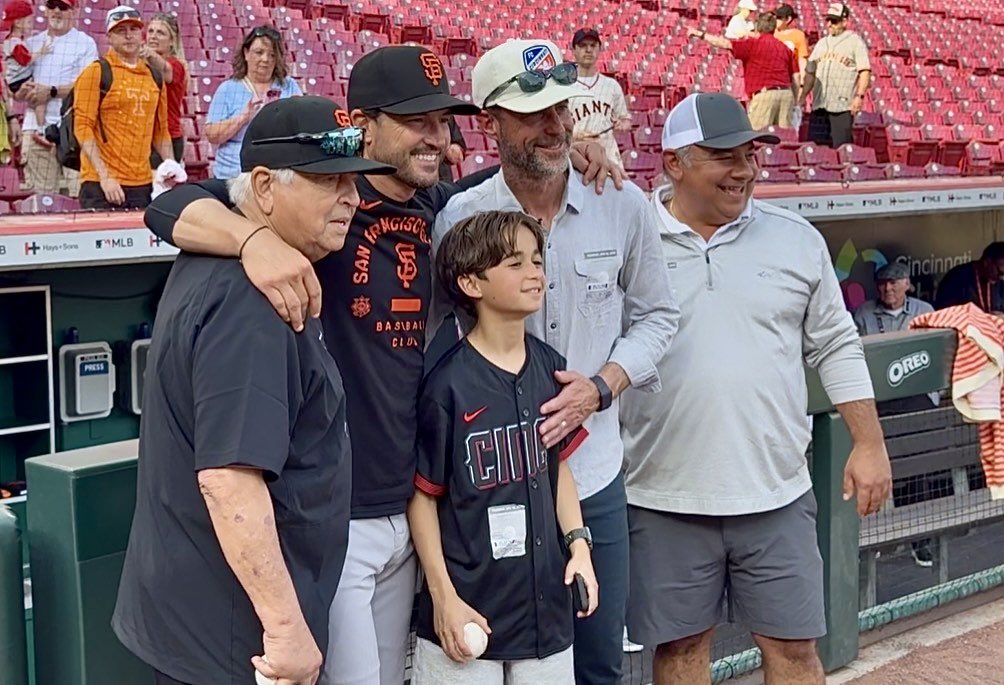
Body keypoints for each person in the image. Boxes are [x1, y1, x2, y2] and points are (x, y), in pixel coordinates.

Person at [144, 42, 620, 685]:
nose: (435, 136)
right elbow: (170, 206)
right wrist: (253, 239)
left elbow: (512, 176)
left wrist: (572, 154)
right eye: (414, 120)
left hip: (412, 501)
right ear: (360, 124)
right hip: (336, 512)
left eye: (442, 120)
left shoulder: (440, 208)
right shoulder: (320, 206)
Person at [112, 96, 396, 685]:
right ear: (264, 186)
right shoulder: (253, 299)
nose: (352, 197)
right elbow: (229, 480)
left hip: (206, 621)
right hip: (238, 640)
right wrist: (286, 629)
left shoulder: (243, 248)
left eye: (355, 180)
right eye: (329, 181)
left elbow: (186, 202)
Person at [430, 38, 679, 685]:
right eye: (532, 111)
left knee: (598, 664)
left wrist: (601, 386)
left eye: (561, 108)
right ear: (491, 124)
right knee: (491, 665)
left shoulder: (620, 202)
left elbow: (659, 316)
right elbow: (446, 346)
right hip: (490, 485)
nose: (555, 125)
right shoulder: (461, 215)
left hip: (590, 478)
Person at [621, 92, 891, 685]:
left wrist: (868, 443)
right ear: (674, 163)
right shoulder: (629, 237)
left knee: (795, 652)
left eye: (750, 153)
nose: (743, 169)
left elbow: (837, 345)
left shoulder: (794, 238)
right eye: (723, 156)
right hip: (662, 495)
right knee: (681, 652)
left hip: (777, 492)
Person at [408, 210, 599, 683]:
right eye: (514, 263)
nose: (534, 271)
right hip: (470, 607)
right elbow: (422, 497)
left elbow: (559, 471)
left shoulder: (551, 368)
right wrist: (443, 598)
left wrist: (579, 545)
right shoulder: (446, 383)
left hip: (544, 610)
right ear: (472, 283)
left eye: (537, 260)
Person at [853, 261, 938, 568]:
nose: (887, 288)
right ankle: (877, 538)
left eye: (893, 282)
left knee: (918, 470)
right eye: (882, 283)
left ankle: (919, 541)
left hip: (915, 400)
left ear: (907, 284)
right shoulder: (864, 313)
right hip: (879, 404)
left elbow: (934, 359)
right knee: (873, 466)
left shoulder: (923, 309)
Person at [73, 6, 172, 210]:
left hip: (142, 183)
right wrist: (105, 176)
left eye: (133, 29)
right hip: (101, 184)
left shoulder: (154, 77)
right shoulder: (96, 72)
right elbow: (82, 127)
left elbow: (161, 132)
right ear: (109, 37)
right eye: (120, 30)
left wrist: (172, 166)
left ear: (141, 34)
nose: (128, 36)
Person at [14, 0, 96, 196]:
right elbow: (16, 92)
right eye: (52, 5)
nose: (56, 11)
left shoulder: (85, 43)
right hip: (36, 132)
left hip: (74, 132)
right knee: (42, 200)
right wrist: (25, 90)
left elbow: (87, 87)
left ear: (75, 10)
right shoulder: (31, 44)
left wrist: (49, 91)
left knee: (80, 196)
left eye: (63, 6)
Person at [205, 24, 302, 180]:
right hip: (234, 176)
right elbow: (212, 135)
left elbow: (301, 125)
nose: (266, 59)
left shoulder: (289, 86)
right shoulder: (228, 89)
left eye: (272, 55)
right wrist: (243, 118)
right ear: (246, 53)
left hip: (278, 172)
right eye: (259, 52)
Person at [688, 13, 798, 130]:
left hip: (765, 95)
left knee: (756, 137)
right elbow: (796, 77)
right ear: (774, 28)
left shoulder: (753, 44)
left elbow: (725, 43)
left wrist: (700, 34)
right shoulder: (784, 48)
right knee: (783, 138)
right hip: (786, 95)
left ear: (757, 28)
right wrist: (795, 99)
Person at [800, 2, 871, 148]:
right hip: (819, 105)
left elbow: (864, 71)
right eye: (828, 20)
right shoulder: (821, 43)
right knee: (816, 149)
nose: (830, 24)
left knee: (841, 148)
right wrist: (802, 96)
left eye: (834, 20)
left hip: (842, 106)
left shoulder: (855, 42)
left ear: (845, 21)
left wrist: (859, 96)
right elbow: (810, 73)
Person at [569, 27, 631, 169]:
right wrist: (576, 136)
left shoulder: (611, 86)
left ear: (599, 49)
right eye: (583, 46)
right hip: (577, 158)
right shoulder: (565, 87)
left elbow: (625, 121)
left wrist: (622, 125)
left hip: (608, 156)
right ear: (573, 50)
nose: (588, 50)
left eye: (593, 45)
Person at [143, 12, 188, 164]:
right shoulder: (140, 65)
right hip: (143, 136)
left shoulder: (177, 66)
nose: (153, 36)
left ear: (171, 41)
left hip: (168, 137)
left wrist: (149, 54)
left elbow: (165, 70)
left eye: (160, 33)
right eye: (151, 31)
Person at [2, 0, 48, 142]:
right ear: (18, 23)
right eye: (28, 22)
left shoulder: (14, 41)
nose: (31, 25)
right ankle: (41, 130)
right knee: (40, 98)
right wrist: (42, 51)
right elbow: (26, 60)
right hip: (18, 80)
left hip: (17, 79)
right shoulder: (15, 43)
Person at [935, 242, 1004, 313]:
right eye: (1000, 272)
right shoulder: (958, 277)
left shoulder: (1001, 282)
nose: (1002, 278)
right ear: (987, 262)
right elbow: (944, 312)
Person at [774, 4, 808, 80]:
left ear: (788, 19)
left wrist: (802, 81)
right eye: (775, 17)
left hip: (793, 76)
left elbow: (802, 59)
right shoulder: (771, 34)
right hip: (774, 77)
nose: (776, 20)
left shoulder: (798, 34)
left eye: (779, 17)